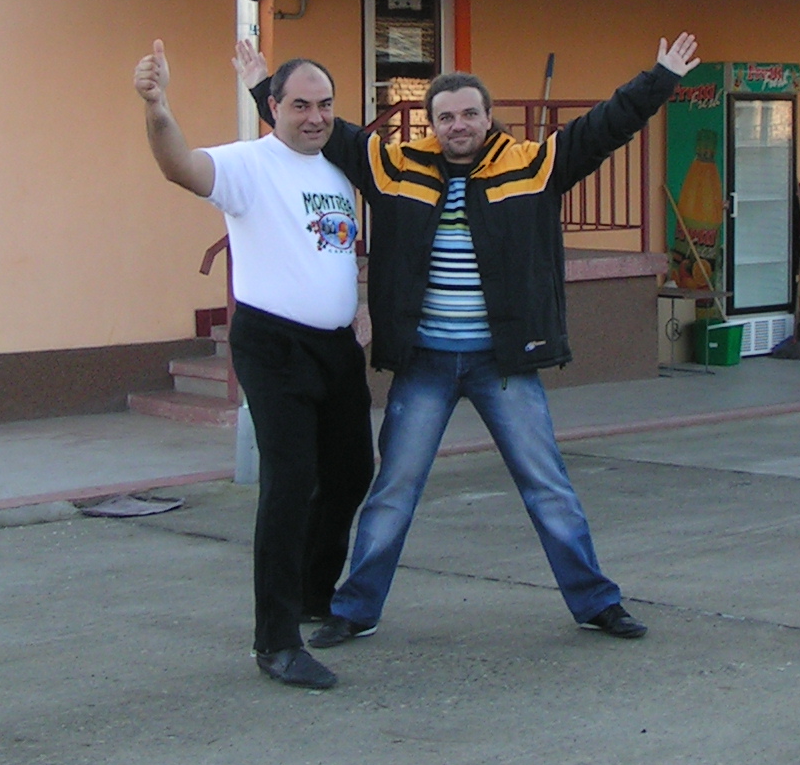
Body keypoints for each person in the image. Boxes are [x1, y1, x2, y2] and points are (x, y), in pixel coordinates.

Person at [240, 34, 700, 649]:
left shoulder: (532, 165)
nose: (458, 125)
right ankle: (354, 609)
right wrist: (262, 88)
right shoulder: (394, 166)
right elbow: (320, 127)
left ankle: (596, 602)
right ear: (431, 125)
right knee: (393, 490)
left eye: (469, 114)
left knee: (548, 486)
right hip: (425, 364)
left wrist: (661, 78)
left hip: (501, 364)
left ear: (488, 117)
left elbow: (604, 128)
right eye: (446, 116)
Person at [134, 40, 373, 691]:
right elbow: (180, 166)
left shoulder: (336, 170)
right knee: (290, 482)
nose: (316, 117)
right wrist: (157, 107)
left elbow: (335, 250)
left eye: (325, 105)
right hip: (274, 346)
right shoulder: (249, 165)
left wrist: (356, 305)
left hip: (337, 349)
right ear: (274, 107)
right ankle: (276, 642)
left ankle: (314, 595)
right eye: (301, 105)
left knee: (352, 471)